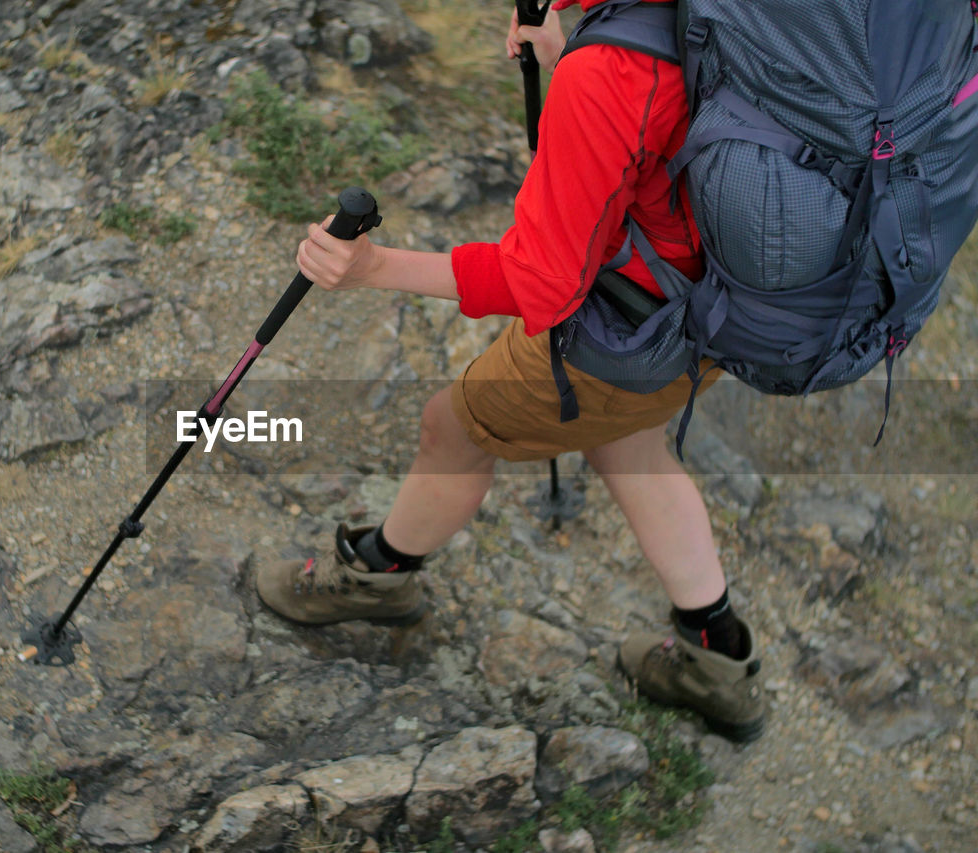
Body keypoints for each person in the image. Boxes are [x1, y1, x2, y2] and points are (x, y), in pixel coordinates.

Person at [254, 0, 765, 743]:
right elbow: (668, 115)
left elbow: (540, 283)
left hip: (629, 327)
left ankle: (377, 579)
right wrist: (582, 31)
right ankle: (716, 658)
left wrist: (370, 265)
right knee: (628, 443)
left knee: (453, 426)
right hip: (733, 302)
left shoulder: (611, 74)